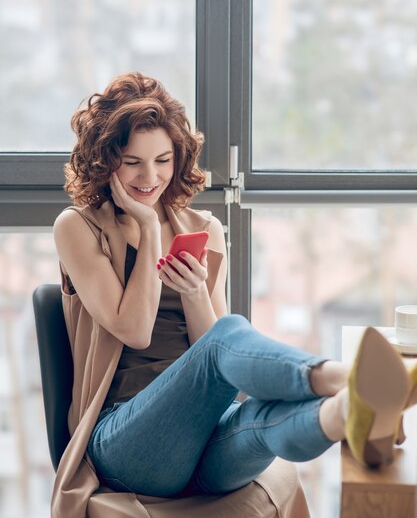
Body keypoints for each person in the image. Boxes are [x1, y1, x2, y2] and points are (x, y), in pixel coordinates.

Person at [52, 71, 416, 515]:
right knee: (232, 332)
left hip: (203, 436)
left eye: (163, 160)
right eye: (132, 162)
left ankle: (348, 412)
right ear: (105, 161)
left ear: (178, 158)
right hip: (126, 440)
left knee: (261, 422)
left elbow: (220, 364)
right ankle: (345, 377)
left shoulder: (205, 229)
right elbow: (135, 330)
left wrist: (194, 294)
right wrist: (148, 227)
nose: (150, 177)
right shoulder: (79, 226)